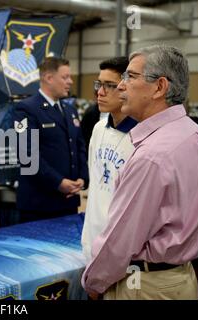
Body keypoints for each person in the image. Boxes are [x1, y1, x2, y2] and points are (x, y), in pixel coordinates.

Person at [82, 45, 198, 300]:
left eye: (130, 77)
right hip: (179, 276)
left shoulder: (152, 155)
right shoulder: (193, 134)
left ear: (159, 87)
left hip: (145, 285)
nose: (122, 86)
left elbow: (120, 242)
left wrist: (93, 284)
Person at [12, 57, 88, 222]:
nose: (70, 81)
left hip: (68, 202)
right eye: (65, 77)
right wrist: (58, 182)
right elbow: (27, 155)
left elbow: (79, 146)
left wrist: (83, 177)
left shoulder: (69, 110)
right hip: (39, 205)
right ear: (48, 78)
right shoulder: (25, 109)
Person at [80, 56, 137, 262]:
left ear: (127, 88)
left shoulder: (142, 138)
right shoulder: (97, 129)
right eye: (99, 84)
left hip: (121, 252)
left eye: (109, 86)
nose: (100, 92)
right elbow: (95, 188)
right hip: (92, 240)